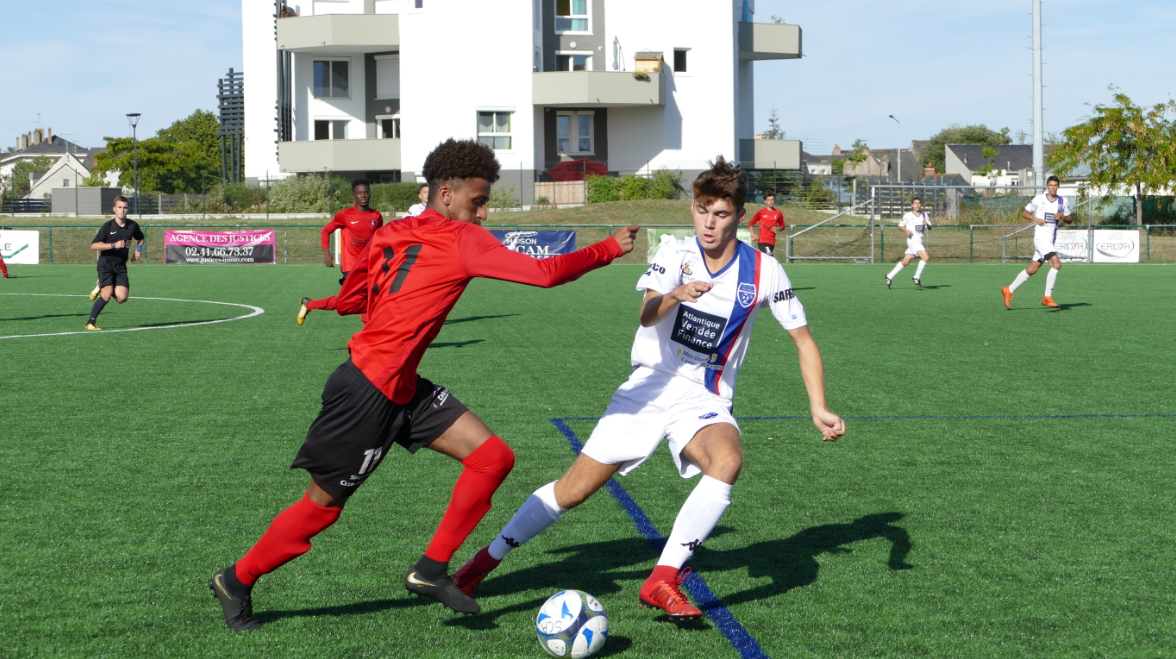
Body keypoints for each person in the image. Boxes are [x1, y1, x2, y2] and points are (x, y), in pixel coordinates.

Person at [210, 139, 639, 630]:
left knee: (492, 457)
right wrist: (609, 248)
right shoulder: (462, 238)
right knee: (322, 507)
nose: (483, 214)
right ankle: (236, 579)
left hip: (400, 385)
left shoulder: (391, 231)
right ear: (446, 194)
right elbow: (543, 274)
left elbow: (353, 297)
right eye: (478, 202)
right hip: (367, 392)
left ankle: (432, 570)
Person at [452, 157, 845, 621]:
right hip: (650, 387)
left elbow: (803, 339)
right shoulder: (675, 253)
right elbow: (647, 313)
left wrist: (818, 406)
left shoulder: (764, 271)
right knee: (572, 491)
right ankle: (480, 564)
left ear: (740, 216)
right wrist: (676, 295)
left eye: (720, 214)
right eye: (702, 210)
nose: (709, 223)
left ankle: (663, 578)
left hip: (704, 398)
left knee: (728, 460)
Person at [298, 179, 384, 325]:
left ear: (369, 194)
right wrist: (326, 252)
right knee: (365, 299)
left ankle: (308, 304)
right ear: (354, 196)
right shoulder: (345, 215)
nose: (363, 196)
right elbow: (326, 231)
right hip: (350, 267)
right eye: (359, 193)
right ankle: (369, 335)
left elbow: (379, 239)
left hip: (369, 265)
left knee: (360, 300)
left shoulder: (376, 216)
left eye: (365, 192)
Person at [1002, 176, 1072, 309]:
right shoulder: (1039, 198)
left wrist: (1062, 217)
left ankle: (1009, 290)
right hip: (1040, 238)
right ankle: (1047, 297)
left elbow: (1069, 218)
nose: (1053, 187)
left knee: (1032, 269)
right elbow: (1024, 213)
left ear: (1058, 186)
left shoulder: (1063, 201)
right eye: (1050, 185)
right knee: (1056, 264)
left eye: (1055, 185)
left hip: (1050, 239)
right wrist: (1036, 219)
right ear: (1047, 186)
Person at [85, 196, 144, 330]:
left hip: (120, 266)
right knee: (106, 295)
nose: (122, 210)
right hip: (106, 264)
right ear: (114, 209)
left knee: (122, 298)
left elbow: (140, 238)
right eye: (119, 207)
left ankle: (103, 284)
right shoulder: (108, 226)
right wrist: (113, 245)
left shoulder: (132, 225)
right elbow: (94, 245)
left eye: (125, 207)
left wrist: (138, 250)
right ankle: (90, 322)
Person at [884, 197, 931, 289]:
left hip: (919, 240)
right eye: (915, 203)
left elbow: (930, 227)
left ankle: (889, 276)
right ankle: (916, 277)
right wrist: (906, 230)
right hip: (912, 240)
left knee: (905, 262)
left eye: (919, 203)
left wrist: (927, 224)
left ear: (921, 205)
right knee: (926, 257)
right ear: (912, 205)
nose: (917, 205)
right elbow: (900, 226)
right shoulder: (908, 215)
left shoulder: (924, 215)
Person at [748, 192, 784, 256]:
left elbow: (782, 226)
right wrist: (752, 234)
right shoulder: (761, 213)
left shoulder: (778, 213)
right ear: (765, 201)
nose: (771, 202)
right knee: (770, 257)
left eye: (772, 200)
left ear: (774, 201)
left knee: (767, 261)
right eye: (769, 200)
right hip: (762, 241)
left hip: (772, 241)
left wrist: (778, 228)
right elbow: (751, 223)